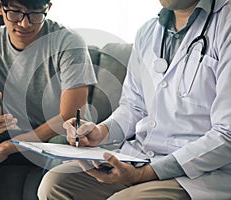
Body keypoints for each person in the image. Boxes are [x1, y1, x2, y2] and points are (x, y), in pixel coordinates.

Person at [38, 0, 231, 199]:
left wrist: (144, 174)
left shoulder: (226, 24)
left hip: (200, 172)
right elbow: (133, 106)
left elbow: (227, 133)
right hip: (142, 157)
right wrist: (101, 132)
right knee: (56, 183)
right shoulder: (148, 32)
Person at [0, 0, 97, 199]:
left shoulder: (68, 42)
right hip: (15, 133)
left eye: (35, 14)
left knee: (64, 145)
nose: (25, 24)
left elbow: (69, 117)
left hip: (56, 134)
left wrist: (9, 147)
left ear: (48, 8)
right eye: (15, 13)